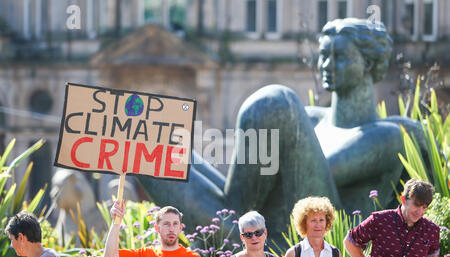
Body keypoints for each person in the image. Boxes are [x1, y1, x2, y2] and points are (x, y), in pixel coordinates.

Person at [135, 18, 426, 244]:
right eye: (324, 54)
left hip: (319, 248)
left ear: (370, 64)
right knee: (146, 140)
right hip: (262, 230)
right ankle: (230, 229)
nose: (326, 65)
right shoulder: (310, 119)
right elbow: (251, 183)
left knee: (275, 101)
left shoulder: (389, 135)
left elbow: (309, 170)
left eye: (340, 57)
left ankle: (230, 230)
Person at [344, 178, 440, 257]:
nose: (420, 211)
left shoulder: (431, 229)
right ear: (404, 199)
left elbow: (434, 254)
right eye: (416, 205)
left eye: (424, 207)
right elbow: (350, 241)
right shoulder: (379, 220)